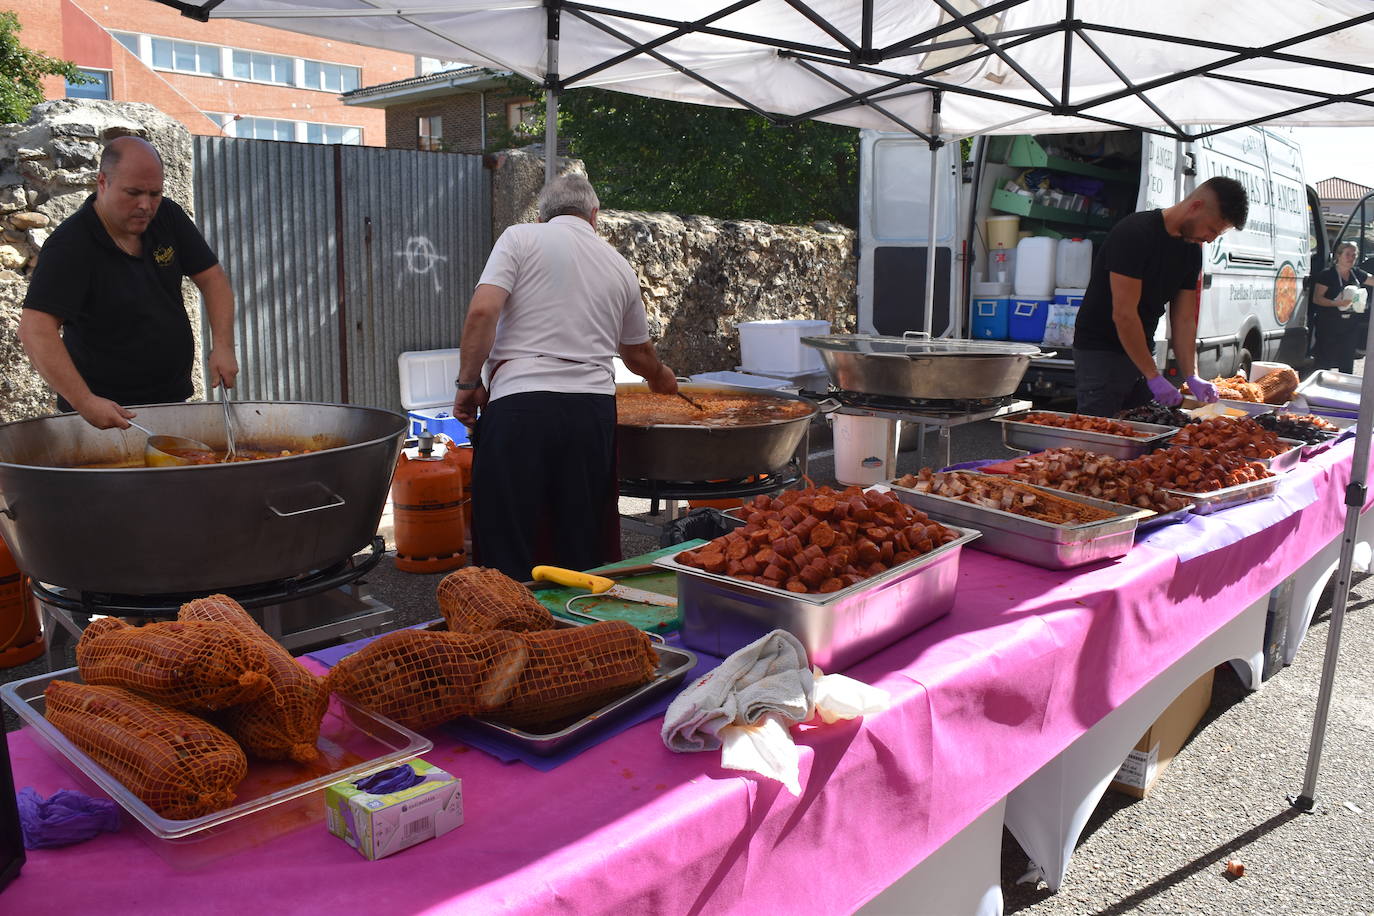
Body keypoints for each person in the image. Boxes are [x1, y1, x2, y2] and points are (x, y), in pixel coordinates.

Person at [452, 173, 677, 580]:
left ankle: (509, 635)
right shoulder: (618, 264)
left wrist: (468, 385)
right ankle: (576, 637)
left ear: (543, 215)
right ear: (595, 215)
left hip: (519, 407)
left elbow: (483, 311)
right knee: (580, 540)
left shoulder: (519, 238)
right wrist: (661, 377)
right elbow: (638, 354)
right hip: (590, 415)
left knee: (509, 541)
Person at [18, 136, 237, 429]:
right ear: (103, 182)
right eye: (133, 193)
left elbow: (213, 278)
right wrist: (84, 401)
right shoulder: (71, 245)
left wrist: (223, 345)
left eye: (154, 193)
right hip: (104, 414)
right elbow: (35, 329)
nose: (146, 205)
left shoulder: (168, 216)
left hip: (171, 402)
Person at [1072, 176, 1249, 416]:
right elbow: (1124, 314)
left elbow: (1184, 320)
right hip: (1101, 350)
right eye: (1211, 229)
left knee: (1143, 430)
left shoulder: (1191, 252)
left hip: (1142, 350)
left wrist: (1191, 375)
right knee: (1102, 432)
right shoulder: (1135, 233)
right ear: (1195, 206)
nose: (1210, 239)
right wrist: (1152, 375)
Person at [1310, 241, 1373, 374]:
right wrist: (1337, 303)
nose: (1351, 258)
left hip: (1350, 326)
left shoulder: (1356, 273)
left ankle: (1344, 391)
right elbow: (1317, 298)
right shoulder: (1327, 274)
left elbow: (1372, 280)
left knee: (1347, 362)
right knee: (1323, 362)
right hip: (1328, 325)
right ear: (1338, 255)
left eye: (1354, 255)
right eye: (1348, 254)